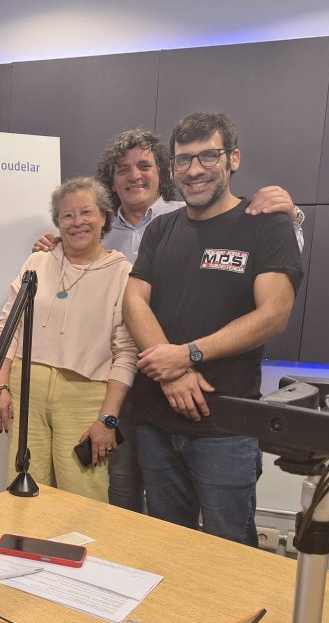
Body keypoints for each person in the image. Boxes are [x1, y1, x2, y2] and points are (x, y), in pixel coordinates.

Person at [32, 129, 304, 513]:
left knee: (223, 529)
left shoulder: (190, 213)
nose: (134, 176)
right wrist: (55, 244)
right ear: (111, 182)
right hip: (121, 388)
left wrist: (293, 217)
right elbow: (114, 295)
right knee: (123, 494)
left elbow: (275, 287)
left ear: (163, 172)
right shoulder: (98, 226)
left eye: (144, 166)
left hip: (198, 395)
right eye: (123, 169)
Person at [123, 112, 304, 546]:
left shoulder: (267, 224)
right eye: (184, 160)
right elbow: (132, 301)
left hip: (226, 428)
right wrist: (173, 373)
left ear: (233, 159)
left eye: (208, 156)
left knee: (231, 553)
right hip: (154, 421)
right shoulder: (161, 229)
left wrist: (187, 354)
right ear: (172, 169)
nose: (195, 169)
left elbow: (274, 314)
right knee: (167, 548)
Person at [0, 177, 137, 501]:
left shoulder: (122, 272)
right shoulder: (38, 261)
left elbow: (126, 351)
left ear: (104, 217)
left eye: (86, 212)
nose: (77, 222)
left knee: (83, 497)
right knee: (23, 489)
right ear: (57, 222)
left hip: (85, 396)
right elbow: (9, 327)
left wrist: (107, 418)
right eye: (67, 215)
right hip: (27, 389)